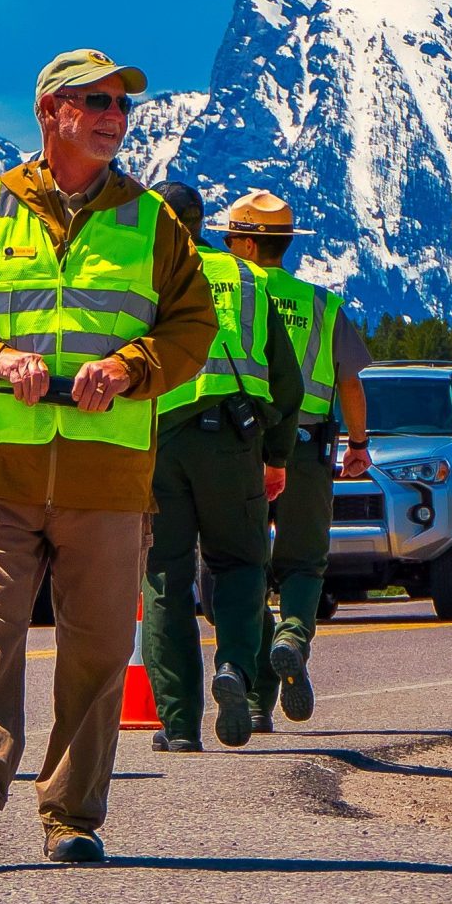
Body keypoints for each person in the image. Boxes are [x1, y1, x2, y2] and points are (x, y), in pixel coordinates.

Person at [0, 49, 217, 865]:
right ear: (50, 112)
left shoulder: (154, 224)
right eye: (97, 102)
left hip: (108, 477)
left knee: (101, 645)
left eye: (123, 106)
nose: (115, 116)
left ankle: (71, 816)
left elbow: (193, 329)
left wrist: (132, 368)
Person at [142, 183, 303, 751]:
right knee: (238, 564)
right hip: (235, 440)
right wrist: (277, 455)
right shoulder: (247, 278)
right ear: (203, 220)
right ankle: (233, 665)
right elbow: (289, 381)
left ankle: (179, 724)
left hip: (156, 441)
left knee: (165, 577)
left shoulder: (137, 274)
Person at [214, 190, 370, 726]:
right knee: (304, 560)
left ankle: (257, 700)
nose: (228, 247)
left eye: (231, 239)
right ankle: (293, 637)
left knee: (244, 564)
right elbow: (351, 381)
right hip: (306, 446)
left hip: (241, 445)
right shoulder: (322, 305)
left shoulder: (235, 298)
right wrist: (358, 445)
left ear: (250, 244)